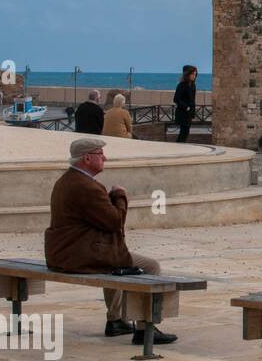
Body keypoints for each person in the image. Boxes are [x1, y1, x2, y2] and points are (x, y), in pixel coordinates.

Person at [43, 138, 176, 346]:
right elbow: (115, 222)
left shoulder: (66, 181)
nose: (105, 157)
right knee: (150, 267)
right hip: (81, 254)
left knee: (115, 263)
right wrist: (119, 195)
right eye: (100, 154)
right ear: (87, 158)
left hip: (64, 253)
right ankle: (145, 328)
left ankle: (116, 320)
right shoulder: (86, 187)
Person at [173, 66, 197, 143]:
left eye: (195, 74)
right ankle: (178, 147)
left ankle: (180, 146)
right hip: (182, 112)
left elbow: (192, 100)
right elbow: (176, 99)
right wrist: (186, 107)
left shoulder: (193, 85)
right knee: (184, 132)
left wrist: (192, 112)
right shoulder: (182, 85)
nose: (194, 76)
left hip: (189, 114)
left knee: (185, 132)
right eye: (192, 74)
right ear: (188, 75)